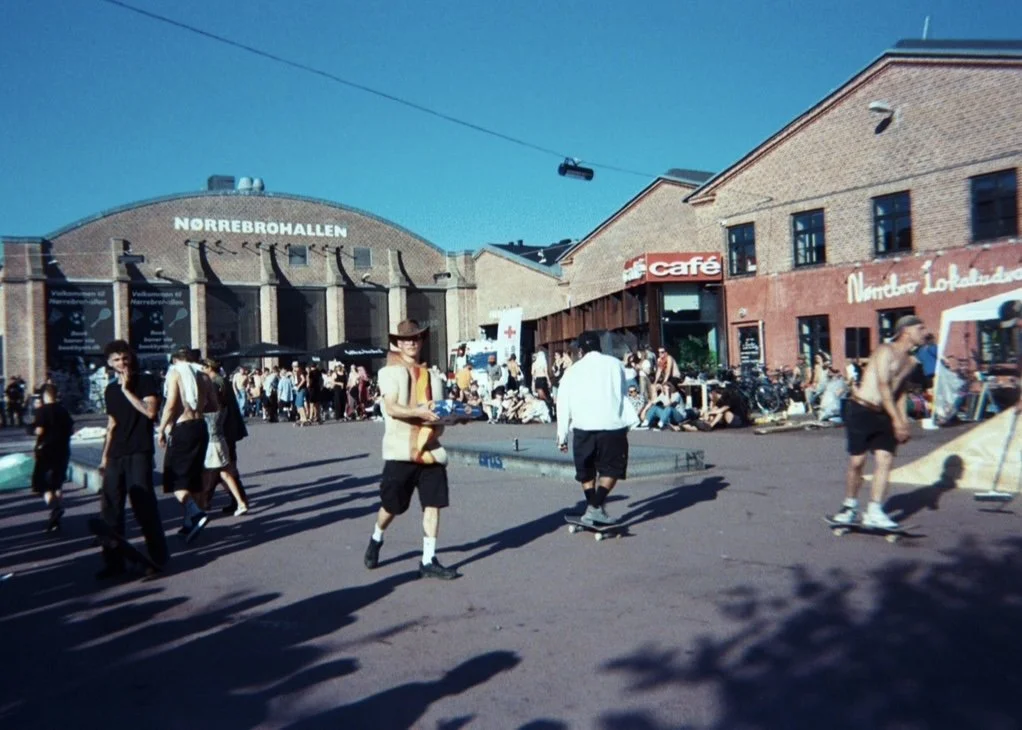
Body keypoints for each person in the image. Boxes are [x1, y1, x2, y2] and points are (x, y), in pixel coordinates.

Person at [363, 319, 459, 580]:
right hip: (401, 452)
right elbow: (391, 407)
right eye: (406, 339)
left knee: (433, 504)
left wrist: (454, 417)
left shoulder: (433, 377)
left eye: (415, 338)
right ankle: (377, 536)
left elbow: (438, 413)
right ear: (397, 343)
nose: (411, 343)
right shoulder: (389, 373)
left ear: (422, 341)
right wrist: (417, 412)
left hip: (430, 451)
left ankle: (428, 560)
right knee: (391, 507)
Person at [832, 315, 927, 529]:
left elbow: (900, 392)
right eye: (920, 328)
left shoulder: (911, 361)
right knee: (857, 462)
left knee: (885, 460)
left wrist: (903, 421)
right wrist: (897, 420)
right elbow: (884, 385)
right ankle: (849, 507)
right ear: (906, 331)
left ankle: (874, 510)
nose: (924, 333)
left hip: (885, 413)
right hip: (861, 409)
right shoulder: (885, 350)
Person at [96, 340, 169, 578]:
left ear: (131, 357)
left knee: (144, 505)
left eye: (124, 358)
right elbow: (112, 424)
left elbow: (150, 412)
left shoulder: (144, 381)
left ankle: (157, 557)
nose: (122, 363)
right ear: (109, 364)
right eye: (116, 360)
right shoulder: (109, 390)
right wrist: (104, 457)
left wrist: (128, 390)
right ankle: (113, 562)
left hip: (139, 451)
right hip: (116, 452)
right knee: (110, 509)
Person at [555, 330, 638, 526]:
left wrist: (562, 435)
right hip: (611, 425)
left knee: (586, 471)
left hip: (583, 426)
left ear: (581, 350)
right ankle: (595, 507)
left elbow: (562, 402)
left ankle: (593, 508)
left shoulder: (572, 371)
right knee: (612, 468)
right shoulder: (614, 364)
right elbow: (627, 382)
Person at [157, 347, 213, 542]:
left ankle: (195, 513)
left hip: (183, 427)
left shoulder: (175, 373)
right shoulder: (204, 376)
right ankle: (189, 523)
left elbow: (171, 404)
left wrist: (161, 428)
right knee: (194, 475)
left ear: (175, 360)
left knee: (175, 477)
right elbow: (214, 404)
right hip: (201, 426)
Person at [200, 358, 250, 516]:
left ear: (209, 367)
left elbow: (216, 408)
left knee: (219, 469)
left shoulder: (216, 383)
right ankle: (237, 500)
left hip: (222, 430)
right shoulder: (222, 380)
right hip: (226, 429)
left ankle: (205, 502)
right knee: (225, 469)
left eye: (203, 367)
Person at [31, 384, 74, 532]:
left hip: (46, 450)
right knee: (57, 483)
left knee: (43, 484)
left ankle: (55, 508)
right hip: (62, 450)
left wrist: (30, 429)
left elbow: (39, 430)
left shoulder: (42, 411)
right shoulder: (64, 411)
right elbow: (71, 430)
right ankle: (57, 516)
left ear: (44, 396)